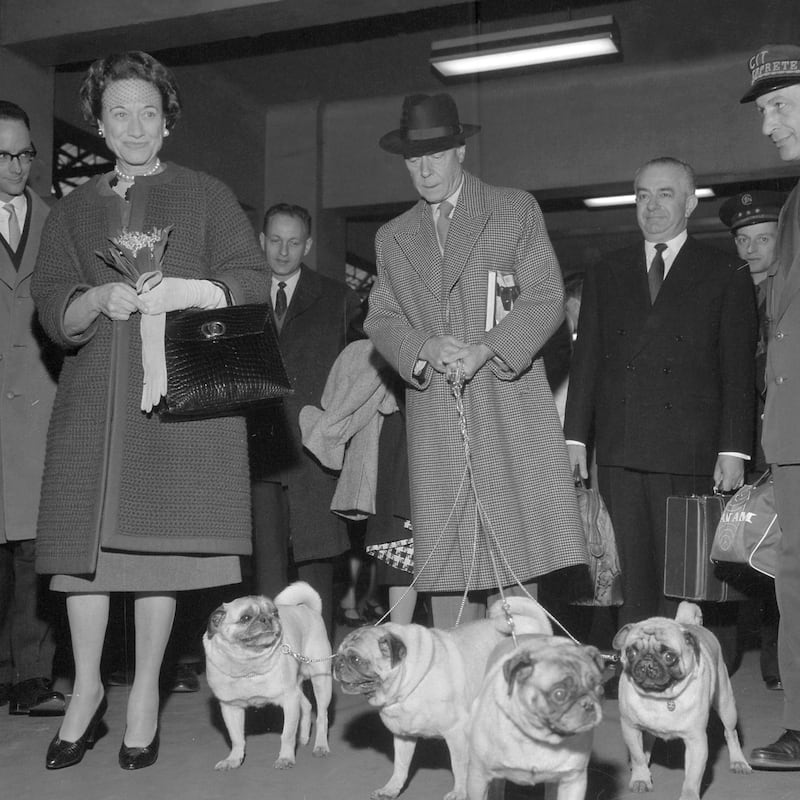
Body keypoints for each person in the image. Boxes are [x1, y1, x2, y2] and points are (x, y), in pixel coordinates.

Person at [30, 51, 268, 771]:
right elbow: (49, 304)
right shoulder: (72, 211)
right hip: (94, 403)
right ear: (100, 125)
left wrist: (188, 290)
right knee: (83, 562)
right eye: (119, 112)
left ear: (167, 124)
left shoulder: (206, 195)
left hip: (173, 404)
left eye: (149, 112)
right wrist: (96, 300)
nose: (135, 125)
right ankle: (87, 691)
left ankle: (143, 698)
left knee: (159, 551)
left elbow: (248, 280)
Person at [364, 93, 588, 628]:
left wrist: (487, 347)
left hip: (509, 404)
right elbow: (381, 318)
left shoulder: (514, 208)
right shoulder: (392, 237)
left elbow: (546, 298)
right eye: (414, 159)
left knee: (517, 553)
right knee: (447, 558)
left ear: (460, 151)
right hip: (437, 414)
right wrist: (424, 347)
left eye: (436, 155)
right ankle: (455, 692)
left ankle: (519, 685)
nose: (424, 169)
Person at [564, 156, 758, 641]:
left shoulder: (724, 270)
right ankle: (636, 671)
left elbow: (737, 370)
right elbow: (585, 361)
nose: (652, 206)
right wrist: (574, 441)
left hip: (689, 448)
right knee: (628, 573)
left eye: (665, 194)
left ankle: (683, 673)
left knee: (684, 576)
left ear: (691, 203)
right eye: (643, 196)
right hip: (621, 448)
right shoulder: (606, 270)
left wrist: (734, 449)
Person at [248, 202, 364, 637]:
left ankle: (318, 668)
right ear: (261, 241)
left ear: (309, 245)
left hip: (316, 453)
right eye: (275, 241)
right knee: (267, 571)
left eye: (294, 242)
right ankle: (268, 665)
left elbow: (359, 369)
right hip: (258, 447)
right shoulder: (239, 292)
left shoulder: (337, 297)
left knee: (318, 565)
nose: (283, 252)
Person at [739, 42, 800, 769]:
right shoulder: (792, 201)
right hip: (790, 432)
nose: (768, 125)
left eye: (780, 107)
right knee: (793, 580)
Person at [0, 101, 64, 718]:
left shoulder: (57, 222)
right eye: (4, 155)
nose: (18, 166)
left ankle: (32, 678)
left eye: (24, 154)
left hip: (41, 403)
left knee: (33, 551)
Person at [719, 189, 785, 692]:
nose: (752, 249)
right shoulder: (729, 291)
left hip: (785, 435)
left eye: (763, 238)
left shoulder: (790, 292)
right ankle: (752, 650)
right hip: (747, 441)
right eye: (743, 239)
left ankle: (778, 659)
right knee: (746, 549)